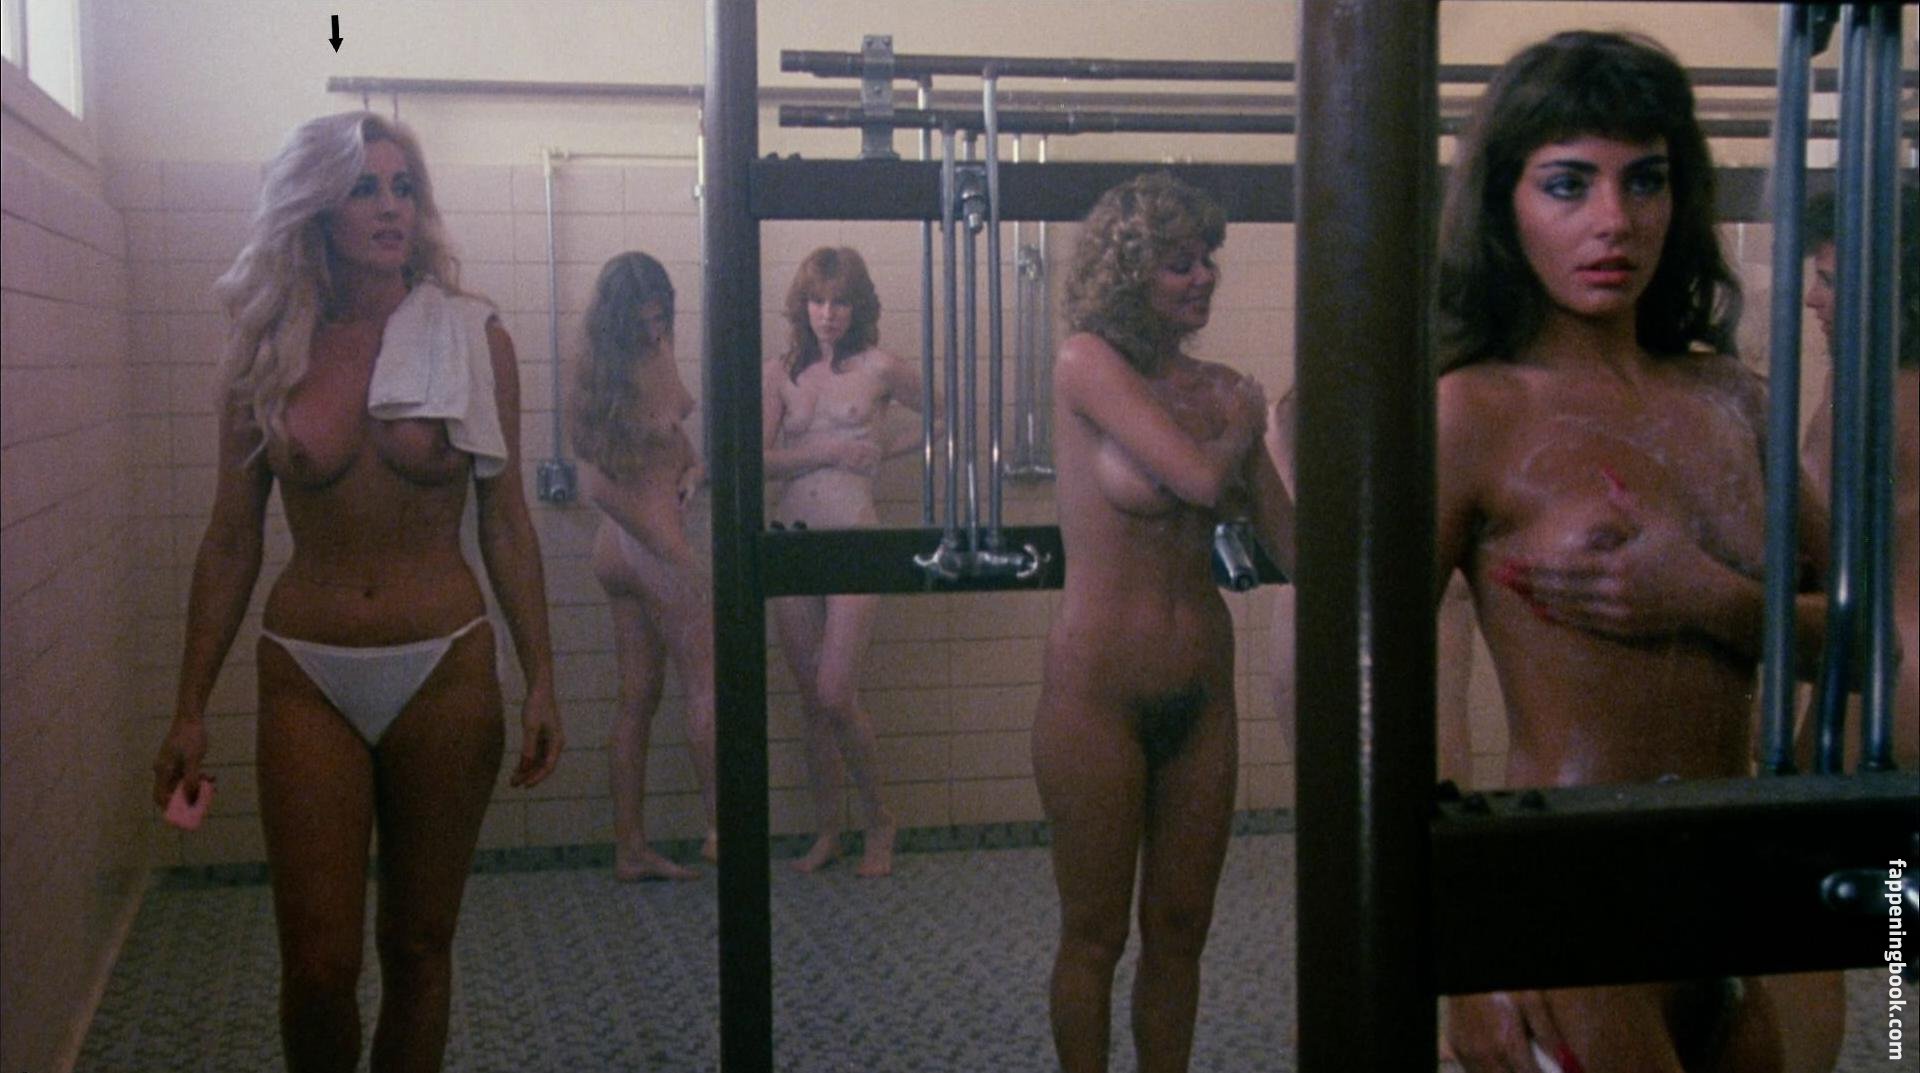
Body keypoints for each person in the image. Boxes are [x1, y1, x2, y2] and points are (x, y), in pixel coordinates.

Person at [1430, 32, 1839, 1073]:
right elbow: (1360, 694)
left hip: (1742, 883)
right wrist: (1459, 944)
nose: (1615, 220)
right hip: (1571, 892)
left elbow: (1860, 646)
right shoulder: (1473, 410)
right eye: (1569, 184)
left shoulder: (1734, 398)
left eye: (1645, 180)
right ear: (1505, 205)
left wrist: (1707, 597)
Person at [148, 112, 562, 1073]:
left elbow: (505, 520)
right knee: (318, 965)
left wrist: (542, 673)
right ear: (314, 209)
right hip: (308, 671)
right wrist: (189, 707)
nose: (390, 208)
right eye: (365, 188)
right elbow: (230, 538)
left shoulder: (474, 337)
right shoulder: (268, 350)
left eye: (403, 187)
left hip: (445, 664)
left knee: (418, 948)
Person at [1032, 172, 1294, 1073]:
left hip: (1200, 696)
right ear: (1129, 271)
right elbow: (1198, 479)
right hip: (1095, 695)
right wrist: (1242, 429)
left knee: (1181, 930)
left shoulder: (1220, 389)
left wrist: (1286, 432)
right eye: (1180, 263)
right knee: (1094, 933)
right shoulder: (1086, 363)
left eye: (1208, 258)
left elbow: (1293, 545)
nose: (1203, 277)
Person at [761, 246, 922, 876]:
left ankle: (880, 821)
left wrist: (886, 449)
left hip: (855, 539)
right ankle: (828, 830)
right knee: (812, 700)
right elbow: (758, 459)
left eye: (840, 302)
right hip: (793, 537)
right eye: (817, 301)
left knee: (835, 692)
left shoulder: (880, 368)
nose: (828, 314)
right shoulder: (781, 372)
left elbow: (950, 415)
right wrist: (829, 451)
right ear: (802, 306)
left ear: (859, 307)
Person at [572, 251, 719, 880]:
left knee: (637, 697)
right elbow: (597, 485)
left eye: (662, 318)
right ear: (622, 320)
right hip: (649, 545)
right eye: (645, 320)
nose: (657, 330)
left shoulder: (611, 367)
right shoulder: (623, 370)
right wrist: (672, 551)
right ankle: (722, 831)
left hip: (620, 548)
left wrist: (694, 471)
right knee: (707, 686)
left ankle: (629, 847)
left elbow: (670, 442)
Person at [1799, 182, 1919, 770]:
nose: (1811, 299)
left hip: (1890, 695)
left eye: (1829, 280)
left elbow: (1802, 544)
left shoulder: (1868, 397)